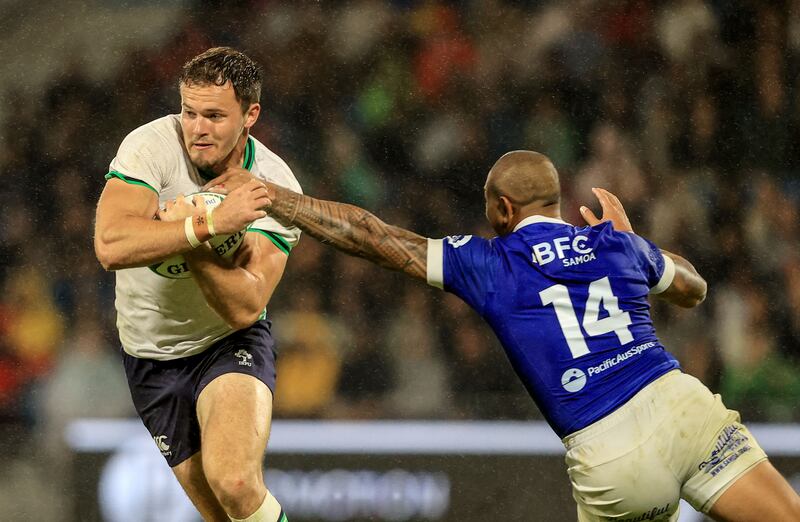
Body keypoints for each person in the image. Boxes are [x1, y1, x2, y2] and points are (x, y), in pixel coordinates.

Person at [205, 150, 800, 521]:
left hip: (611, 449)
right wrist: (640, 242)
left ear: (503, 208)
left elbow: (372, 236)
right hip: (680, 406)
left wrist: (275, 198)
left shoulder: (491, 263)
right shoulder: (614, 243)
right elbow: (694, 289)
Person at [94, 47, 300, 522]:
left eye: (213, 115)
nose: (197, 128)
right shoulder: (151, 147)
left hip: (227, 342)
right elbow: (109, 244)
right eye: (189, 111)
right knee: (221, 515)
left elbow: (246, 306)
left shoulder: (273, 185)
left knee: (235, 482)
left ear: (251, 115)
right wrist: (207, 226)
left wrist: (193, 235)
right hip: (150, 357)